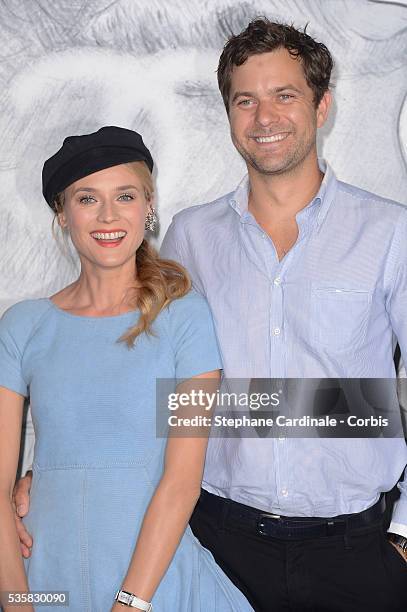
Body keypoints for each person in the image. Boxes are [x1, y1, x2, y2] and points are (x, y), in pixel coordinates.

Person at [13, 18, 407, 612]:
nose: (264, 117)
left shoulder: (390, 231)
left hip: (354, 550)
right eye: (245, 100)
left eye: (285, 95)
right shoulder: (192, 237)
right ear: (228, 115)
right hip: (220, 544)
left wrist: (403, 535)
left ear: (322, 106)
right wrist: (66, 472)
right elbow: (154, 374)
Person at [0, 126, 253, 611]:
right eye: (87, 198)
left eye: (126, 196)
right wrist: (17, 602)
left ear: (148, 206)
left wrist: (129, 604)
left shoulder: (186, 317)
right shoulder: (22, 327)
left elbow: (181, 482)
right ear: (62, 214)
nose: (109, 215)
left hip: (156, 585)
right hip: (47, 582)